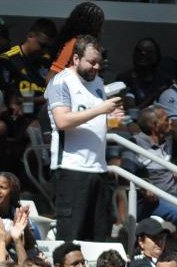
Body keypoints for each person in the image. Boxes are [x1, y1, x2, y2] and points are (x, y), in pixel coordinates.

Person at [46, 35, 121, 242]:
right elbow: (62, 120)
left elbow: (94, 119)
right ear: (76, 59)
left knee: (98, 236)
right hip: (72, 169)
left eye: (99, 63)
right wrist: (101, 110)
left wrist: (110, 116)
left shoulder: (98, 83)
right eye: (91, 62)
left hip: (98, 168)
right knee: (72, 236)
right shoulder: (60, 82)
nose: (96, 67)